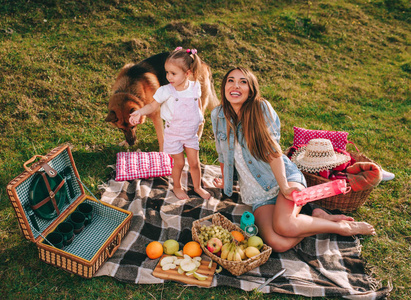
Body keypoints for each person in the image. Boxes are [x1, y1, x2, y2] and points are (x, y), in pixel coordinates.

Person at [211, 67, 375, 253]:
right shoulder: (218, 115)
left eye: (243, 82)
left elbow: (272, 153)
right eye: (230, 80)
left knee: (285, 226)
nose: (235, 86)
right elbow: (223, 153)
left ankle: (342, 228)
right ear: (224, 86)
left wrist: (285, 187)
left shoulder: (260, 109)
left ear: (251, 90)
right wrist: (226, 181)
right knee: (277, 243)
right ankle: (317, 218)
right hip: (257, 194)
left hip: (283, 179)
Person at [130, 47, 211, 200]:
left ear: (187, 74)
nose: (168, 77)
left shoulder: (195, 87)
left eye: (173, 73)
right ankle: (177, 187)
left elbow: (197, 101)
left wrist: (199, 117)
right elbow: (153, 106)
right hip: (174, 134)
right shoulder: (166, 91)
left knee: (194, 163)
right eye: (167, 72)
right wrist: (139, 111)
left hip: (190, 134)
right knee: (179, 163)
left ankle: (198, 187)